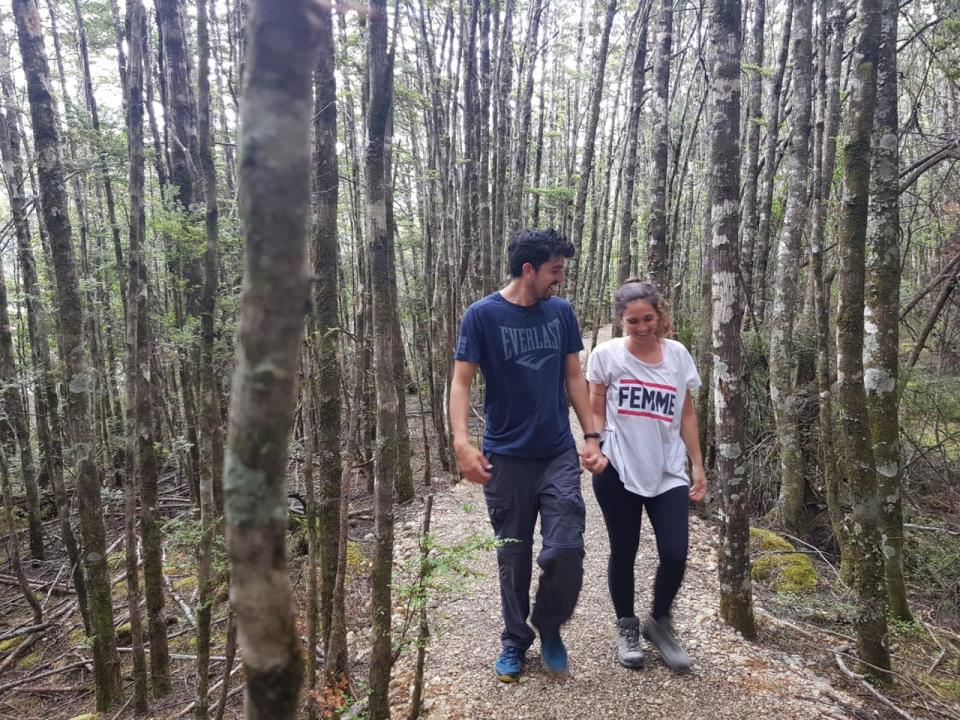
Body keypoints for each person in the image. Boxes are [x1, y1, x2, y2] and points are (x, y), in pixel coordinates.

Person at [449, 228, 603, 682]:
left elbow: (574, 377)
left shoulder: (561, 312)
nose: (560, 279)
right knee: (512, 555)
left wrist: (591, 436)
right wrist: (462, 442)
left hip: (556, 452)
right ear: (529, 269)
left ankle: (550, 625)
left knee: (566, 548)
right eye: (555, 270)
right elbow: (461, 382)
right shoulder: (482, 315)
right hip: (506, 458)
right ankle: (515, 640)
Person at [585, 279, 707, 673]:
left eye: (648, 319)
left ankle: (660, 621)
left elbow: (686, 413)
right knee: (625, 550)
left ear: (660, 316)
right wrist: (594, 445)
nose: (641, 328)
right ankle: (627, 626)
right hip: (618, 467)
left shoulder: (678, 356)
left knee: (675, 552)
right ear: (621, 320)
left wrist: (698, 464)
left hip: (667, 469)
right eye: (632, 321)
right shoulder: (605, 357)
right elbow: (595, 409)